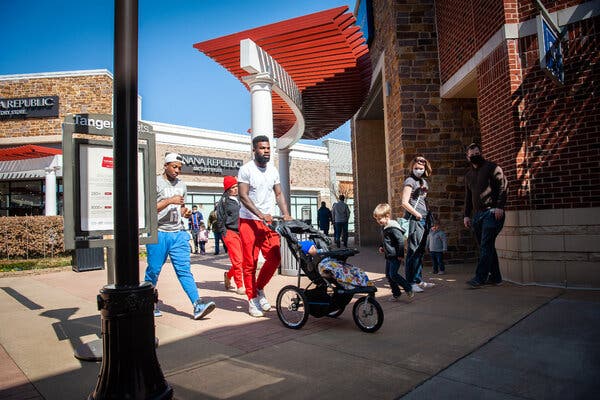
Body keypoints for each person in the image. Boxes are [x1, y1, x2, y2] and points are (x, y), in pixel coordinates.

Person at [144, 153, 216, 320]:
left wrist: (186, 213)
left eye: (179, 168)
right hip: (158, 233)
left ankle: (197, 304)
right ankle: (149, 302)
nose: (177, 171)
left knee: (184, 270)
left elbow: (181, 207)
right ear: (166, 165)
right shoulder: (155, 182)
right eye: (174, 167)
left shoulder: (182, 185)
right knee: (154, 270)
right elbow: (149, 210)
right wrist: (169, 201)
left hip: (178, 234)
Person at [238, 135, 292, 317]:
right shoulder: (246, 170)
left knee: (275, 257)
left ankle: (259, 288)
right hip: (248, 221)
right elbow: (243, 196)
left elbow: (279, 194)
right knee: (250, 263)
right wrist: (260, 214)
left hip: (268, 222)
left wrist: (285, 214)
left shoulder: (273, 171)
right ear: (254, 150)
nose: (266, 151)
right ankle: (252, 299)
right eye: (262, 148)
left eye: (268, 148)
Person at [463, 142, 508, 288]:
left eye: (477, 153)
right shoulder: (469, 175)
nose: (476, 156)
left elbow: (503, 187)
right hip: (477, 215)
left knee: (486, 245)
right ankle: (496, 278)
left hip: (492, 212)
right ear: (468, 157)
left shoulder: (493, 168)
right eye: (472, 154)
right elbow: (468, 197)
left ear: (481, 153)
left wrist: (500, 207)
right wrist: (466, 215)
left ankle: (479, 278)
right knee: (486, 247)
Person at [401, 155, 435, 293]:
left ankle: (418, 279)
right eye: (416, 168)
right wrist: (417, 214)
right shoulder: (410, 181)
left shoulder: (424, 182)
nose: (419, 170)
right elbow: (404, 202)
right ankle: (410, 282)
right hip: (415, 219)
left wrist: (429, 216)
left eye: (421, 168)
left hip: (425, 218)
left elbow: (424, 200)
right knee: (413, 251)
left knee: (420, 251)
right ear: (412, 168)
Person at [373, 203, 414, 301]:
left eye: (380, 219)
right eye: (377, 219)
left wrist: (400, 255)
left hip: (395, 256)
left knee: (393, 275)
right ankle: (396, 293)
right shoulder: (384, 226)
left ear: (387, 216)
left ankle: (408, 288)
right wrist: (381, 246)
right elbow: (385, 240)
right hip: (389, 256)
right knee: (389, 275)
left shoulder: (393, 227)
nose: (378, 221)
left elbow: (400, 241)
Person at [298, 240, 371, 289]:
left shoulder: (321, 251)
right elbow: (311, 267)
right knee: (339, 271)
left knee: (354, 270)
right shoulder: (311, 259)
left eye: (314, 247)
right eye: (311, 248)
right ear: (307, 252)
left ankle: (364, 281)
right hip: (325, 265)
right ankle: (352, 284)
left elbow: (329, 256)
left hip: (332, 262)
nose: (314, 249)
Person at [216, 175, 245, 295]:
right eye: (233, 187)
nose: (236, 189)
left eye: (236, 186)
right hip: (230, 232)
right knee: (238, 260)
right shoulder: (223, 202)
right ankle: (240, 285)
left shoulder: (240, 199)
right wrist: (224, 232)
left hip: (242, 233)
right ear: (227, 189)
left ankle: (228, 275)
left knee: (243, 261)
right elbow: (220, 218)